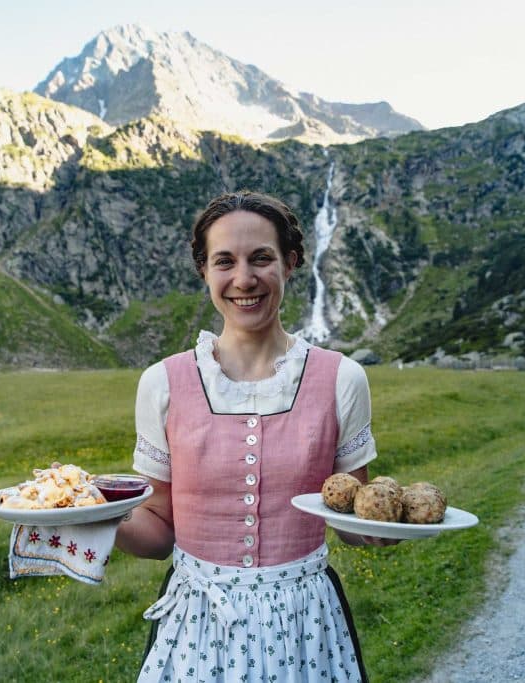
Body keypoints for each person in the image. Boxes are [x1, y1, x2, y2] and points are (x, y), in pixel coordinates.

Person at [115, 190, 392, 682]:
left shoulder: (342, 379)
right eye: (225, 261)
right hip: (197, 624)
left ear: (290, 262)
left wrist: (383, 528)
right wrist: (92, 518)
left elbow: (352, 518)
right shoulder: (162, 383)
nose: (244, 279)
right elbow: (157, 530)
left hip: (306, 623)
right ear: (204, 270)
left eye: (261, 258)